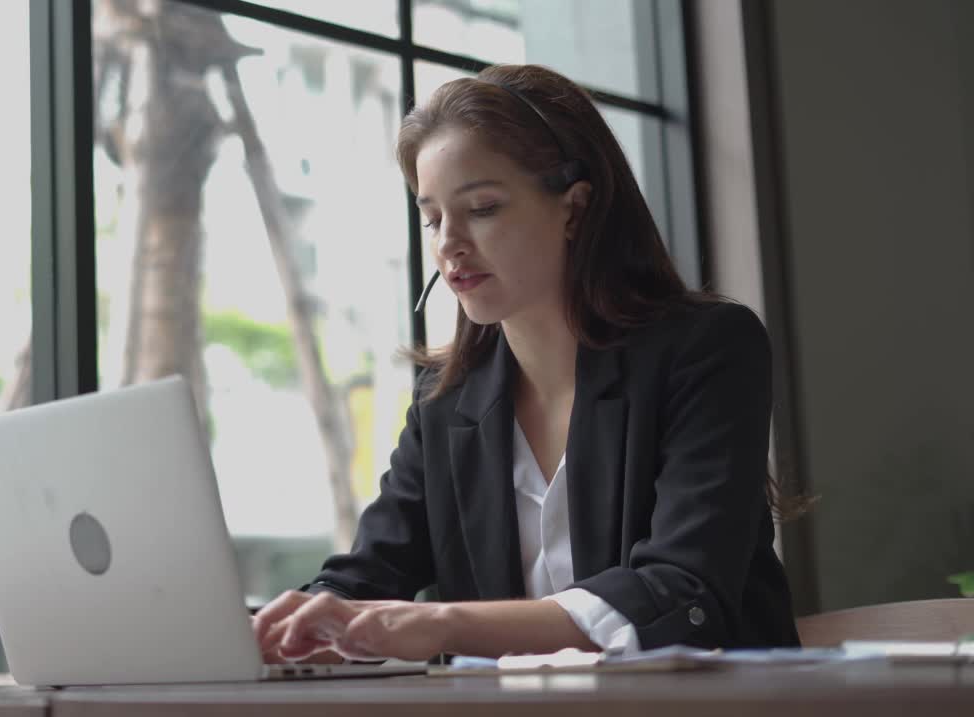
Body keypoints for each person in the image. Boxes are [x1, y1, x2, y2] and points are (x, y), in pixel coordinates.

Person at [252, 63, 802, 664]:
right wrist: (308, 618)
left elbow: (683, 594)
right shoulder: (445, 400)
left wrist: (444, 624)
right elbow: (369, 574)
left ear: (575, 208)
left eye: (482, 208)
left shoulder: (708, 349)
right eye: (432, 217)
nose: (447, 244)